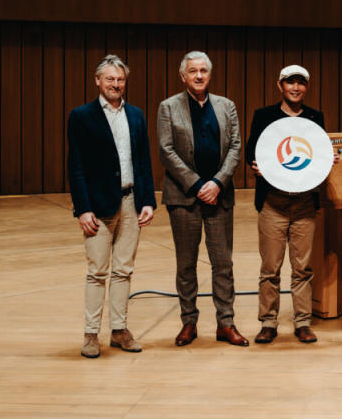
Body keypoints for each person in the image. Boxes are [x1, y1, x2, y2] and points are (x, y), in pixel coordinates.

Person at [67, 55, 156, 358]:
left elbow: (143, 161)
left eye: (120, 80)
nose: (115, 84)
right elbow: (76, 166)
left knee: (123, 270)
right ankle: (91, 334)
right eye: (110, 79)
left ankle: (119, 330)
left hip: (131, 201)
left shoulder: (136, 115)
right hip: (98, 205)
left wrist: (147, 201)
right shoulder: (81, 116)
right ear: (97, 81)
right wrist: (83, 209)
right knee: (97, 272)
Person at [244, 64, 339, 344]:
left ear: (306, 87)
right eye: (290, 82)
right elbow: (252, 151)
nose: (295, 87)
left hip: (304, 205)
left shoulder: (314, 117)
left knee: (303, 268)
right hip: (273, 203)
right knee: (270, 268)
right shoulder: (263, 116)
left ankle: (302, 322)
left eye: (300, 83)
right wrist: (255, 165)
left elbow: (317, 152)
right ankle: (268, 322)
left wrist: (326, 159)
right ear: (280, 86)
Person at [157, 51, 246, 347]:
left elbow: (235, 146)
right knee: (186, 264)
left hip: (220, 196)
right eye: (192, 71)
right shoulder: (168, 107)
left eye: (203, 71)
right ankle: (189, 322)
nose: (198, 75)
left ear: (210, 75)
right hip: (184, 198)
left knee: (223, 264)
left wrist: (218, 182)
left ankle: (226, 323)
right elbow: (166, 151)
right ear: (183, 76)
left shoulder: (226, 106)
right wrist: (197, 185)